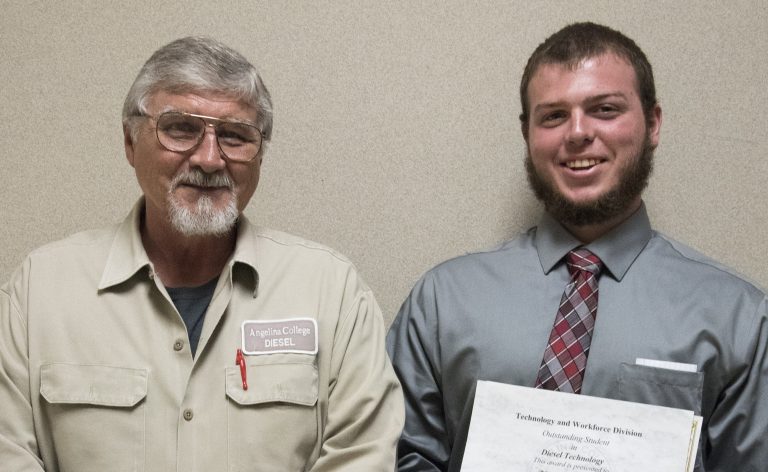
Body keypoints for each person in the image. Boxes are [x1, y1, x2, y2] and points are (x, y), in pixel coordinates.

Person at [0, 36, 403, 471]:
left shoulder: (332, 292)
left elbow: (362, 456)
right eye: (180, 129)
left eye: (234, 136)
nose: (210, 159)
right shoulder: (39, 290)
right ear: (130, 143)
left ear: (260, 155)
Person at [386, 22, 767, 472]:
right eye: (553, 116)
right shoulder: (442, 302)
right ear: (528, 134)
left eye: (604, 109)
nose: (578, 132)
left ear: (653, 123)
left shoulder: (737, 317)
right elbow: (398, 457)